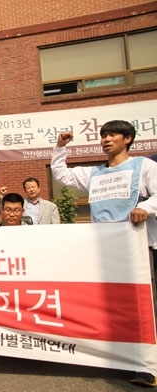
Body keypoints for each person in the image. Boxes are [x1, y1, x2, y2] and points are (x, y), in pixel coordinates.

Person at [51, 120, 157, 388]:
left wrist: (146, 208)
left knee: (143, 305)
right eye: (103, 136)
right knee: (114, 304)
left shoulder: (144, 166)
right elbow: (62, 175)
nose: (106, 140)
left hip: (138, 248)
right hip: (105, 250)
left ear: (128, 139)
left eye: (113, 135)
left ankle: (148, 366)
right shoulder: (95, 173)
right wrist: (60, 147)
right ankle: (121, 356)